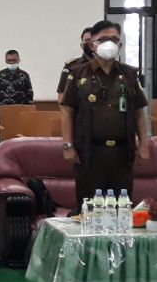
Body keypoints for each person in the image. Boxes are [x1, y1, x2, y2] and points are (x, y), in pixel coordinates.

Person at [60, 20, 150, 208]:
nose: (109, 43)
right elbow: (67, 111)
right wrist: (68, 145)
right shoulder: (77, 74)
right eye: (103, 39)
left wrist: (144, 144)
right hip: (89, 152)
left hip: (122, 152)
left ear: (120, 45)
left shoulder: (130, 75)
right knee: (90, 208)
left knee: (121, 207)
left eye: (114, 39)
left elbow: (139, 113)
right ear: (92, 45)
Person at [0, 48, 34, 138]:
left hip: (19, 112)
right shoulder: (0, 75)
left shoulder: (24, 75)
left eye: (14, 60)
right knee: (1, 137)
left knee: (19, 138)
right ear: (5, 60)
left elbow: (29, 94)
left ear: (19, 60)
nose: (11, 62)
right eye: (9, 60)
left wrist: (28, 112)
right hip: (2, 112)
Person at [57, 27, 95, 97]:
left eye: (93, 40)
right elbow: (61, 95)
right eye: (87, 40)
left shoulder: (107, 66)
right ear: (81, 45)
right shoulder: (71, 67)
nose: (91, 43)